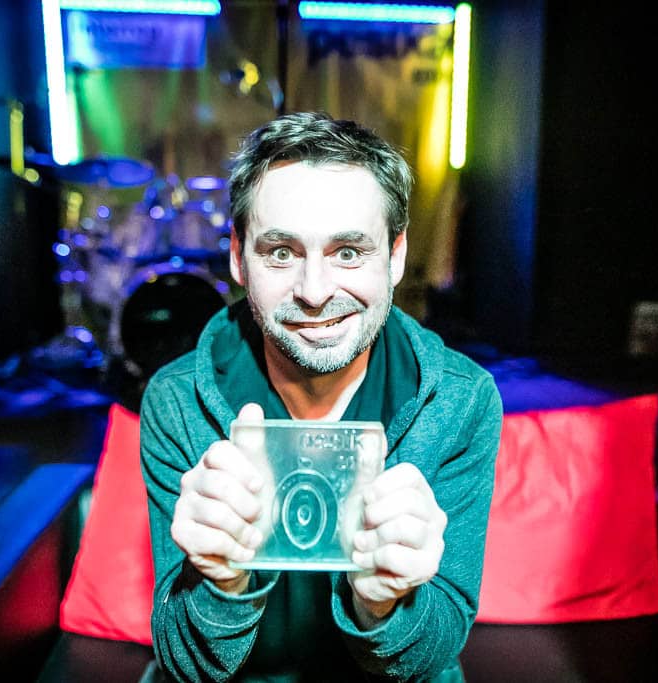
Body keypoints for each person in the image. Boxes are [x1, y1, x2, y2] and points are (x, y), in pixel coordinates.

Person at [139, 111, 502, 682]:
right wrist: (222, 581)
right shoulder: (177, 400)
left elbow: (433, 655)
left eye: (349, 252)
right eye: (281, 252)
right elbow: (185, 665)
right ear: (238, 258)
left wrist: (382, 603)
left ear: (396, 256)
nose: (314, 292)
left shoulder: (459, 401)